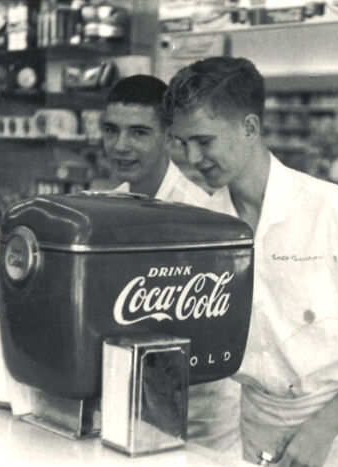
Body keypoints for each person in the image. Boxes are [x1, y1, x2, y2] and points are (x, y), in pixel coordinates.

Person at [163, 57, 338, 467]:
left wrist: (326, 425)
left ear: (249, 127)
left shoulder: (332, 209)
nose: (192, 157)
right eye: (182, 142)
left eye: (204, 140)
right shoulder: (207, 225)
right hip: (260, 426)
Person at [99, 74, 242, 454]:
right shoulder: (105, 211)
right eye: (111, 130)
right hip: (128, 413)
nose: (120, 146)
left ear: (168, 138)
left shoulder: (202, 217)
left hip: (200, 425)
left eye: (139, 133)